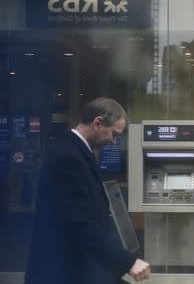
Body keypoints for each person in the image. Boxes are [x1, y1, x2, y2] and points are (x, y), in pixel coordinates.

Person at [25, 97, 150, 284]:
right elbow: (79, 223)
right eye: (114, 134)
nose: (115, 142)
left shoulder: (76, 151)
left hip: (80, 266)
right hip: (63, 270)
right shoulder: (67, 156)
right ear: (98, 123)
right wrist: (128, 262)